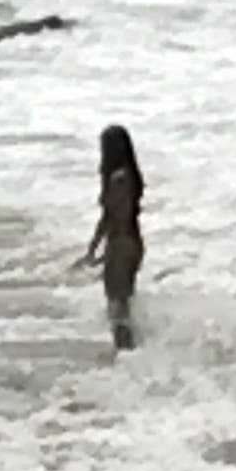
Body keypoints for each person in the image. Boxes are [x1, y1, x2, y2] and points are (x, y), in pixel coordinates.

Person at [79, 124, 145, 351]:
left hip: (121, 244)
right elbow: (110, 217)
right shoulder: (130, 176)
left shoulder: (118, 179)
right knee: (122, 305)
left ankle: (128, 355)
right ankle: (132, 354)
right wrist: (94, 248)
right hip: (131, 243)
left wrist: (99, 250)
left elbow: (113, 216)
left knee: (117, 308)